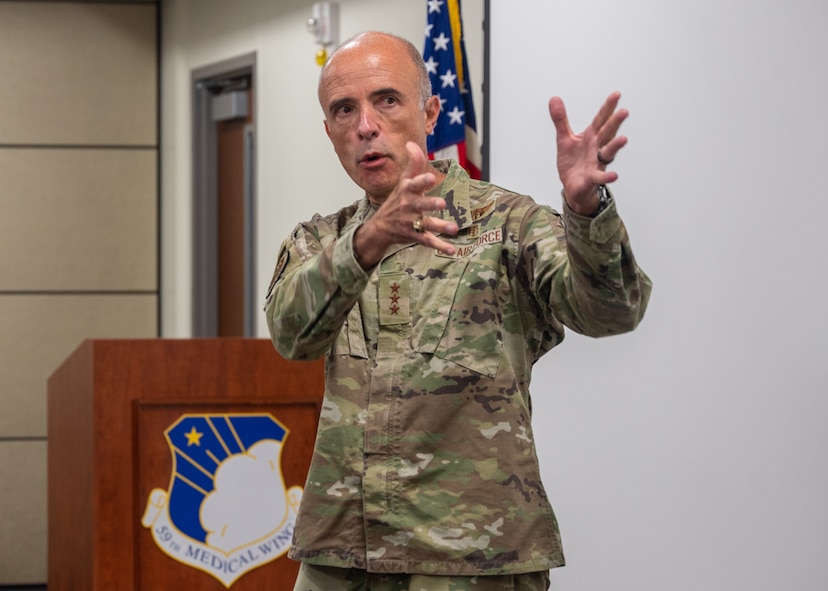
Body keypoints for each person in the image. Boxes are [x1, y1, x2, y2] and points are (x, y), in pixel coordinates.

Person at [265, 31, 652, 591]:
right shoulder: (320, 241)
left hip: (472, 559)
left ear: (430, 111)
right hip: (341, 554)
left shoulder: (507, 225)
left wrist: (585, 210)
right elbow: (290, 336)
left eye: (386, 100)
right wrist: (367, 242)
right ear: (330, 133)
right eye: (344, 110)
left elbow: (611, 311)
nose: (365, 125)